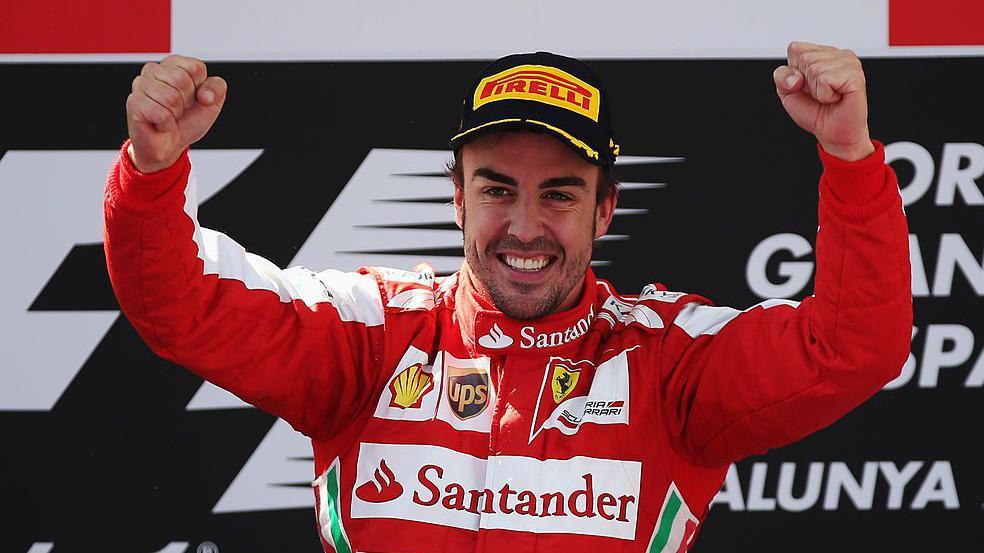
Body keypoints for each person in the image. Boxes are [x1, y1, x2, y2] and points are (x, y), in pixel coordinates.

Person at [104, 44, 912, 552]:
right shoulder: (370, 336)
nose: (525, 228)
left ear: (605, 210)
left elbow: (847, 349)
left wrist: (849, 158)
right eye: (499, 190)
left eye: (559, 195)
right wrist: (150, 172)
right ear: (457, 198)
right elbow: (179, 302)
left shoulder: (668, 364)